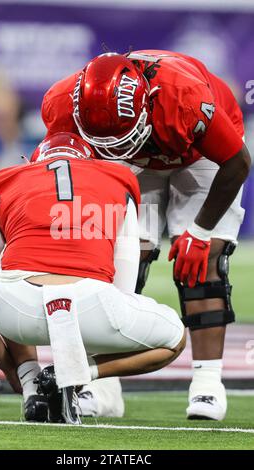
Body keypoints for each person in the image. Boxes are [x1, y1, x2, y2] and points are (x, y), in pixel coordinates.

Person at [34, 50, 251, 420]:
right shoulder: (60, 104)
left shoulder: (185, 97)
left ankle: (207, 384)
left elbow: (237, 162)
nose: (119, 145)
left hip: (200, 156)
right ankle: (103, 387)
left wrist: (199, 231)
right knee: (117, 259)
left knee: (202, 261)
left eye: (123, 136)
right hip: (132, 163)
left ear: (147, 104)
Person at [0, 132, 185, 424]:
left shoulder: (7, 180)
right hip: (91, 306)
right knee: (175, 338)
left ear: (34, 162)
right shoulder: (118, 180)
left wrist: (12, 372)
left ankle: (31, 384)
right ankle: (76, 377)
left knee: (2, 268)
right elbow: (123, 287)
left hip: (17, 310)